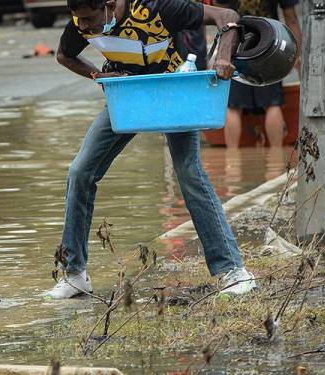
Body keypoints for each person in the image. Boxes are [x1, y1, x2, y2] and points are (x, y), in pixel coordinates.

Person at [45, 0, 257, 299]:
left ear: (107, 6)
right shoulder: (82, 22)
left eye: (90, 19)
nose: (85, 28)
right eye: (79, 21)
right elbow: (64, 55)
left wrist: (222, 57)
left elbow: (227, 16)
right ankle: (75, 274)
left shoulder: (155, 7)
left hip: (174, 90)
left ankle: (231, 270)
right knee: (80, 171)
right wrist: (98, 76)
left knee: (189, 173)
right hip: (129, 97)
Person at [220, 0, 302, 148]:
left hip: (238, 47)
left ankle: (231, 162)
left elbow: (222, 19)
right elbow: (291, 19)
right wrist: (296, 54)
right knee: (272, 104)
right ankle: (277, 158)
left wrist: (221, 54)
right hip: (270, 47)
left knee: (233, 106)